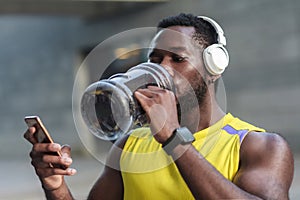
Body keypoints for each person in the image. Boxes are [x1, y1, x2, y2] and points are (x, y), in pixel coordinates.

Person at [24, 13, 294, 200]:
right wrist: (55, 185)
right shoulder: (129, 145)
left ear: (213, 69)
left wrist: (174, 140)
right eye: (155, 59)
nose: (163, 68)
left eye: (177, 58)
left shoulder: (259, 146)